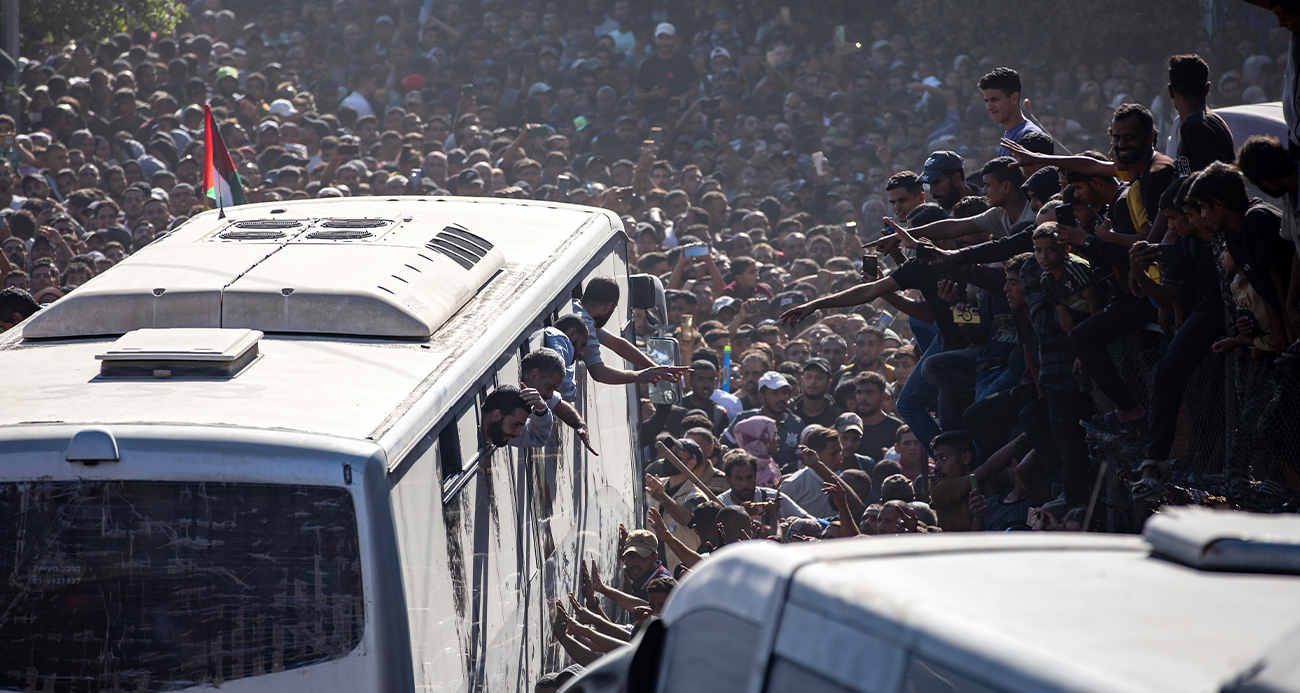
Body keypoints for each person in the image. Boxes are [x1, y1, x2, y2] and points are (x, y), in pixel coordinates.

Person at [1166, 54, 1237, 177]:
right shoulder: (1214, 120)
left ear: (1171, 92)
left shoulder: (1195, 127)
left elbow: (1210, 182)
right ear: (1207, 89)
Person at [723, 371, 804, 472]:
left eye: (784, 393)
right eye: (775, 393)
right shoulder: (745, 419)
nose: (782, 398)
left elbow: (800, 461)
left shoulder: (797, 424)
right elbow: (723, 449)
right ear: (761, 397)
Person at [716, 449, 813, 533]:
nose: (745, 484)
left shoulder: (774, 498)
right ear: (728, 480)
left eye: (749, 478)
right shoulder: (719, 505)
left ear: (756, 476)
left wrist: (796, 524)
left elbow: (814, 523)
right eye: (739, 479)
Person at [980, 67, 1043, 157]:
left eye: (994, 100)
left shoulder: (1029, 136)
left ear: (1014, 98)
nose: (989, 107)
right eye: (987, 101)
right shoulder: (1010, 135)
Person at [480, 384, 554, 449]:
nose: (518, 434)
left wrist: (542, 409)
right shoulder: (501, 430)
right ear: (496, 416)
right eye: (515, 425)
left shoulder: (501, 429)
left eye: (520, 426)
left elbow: (536, 436)